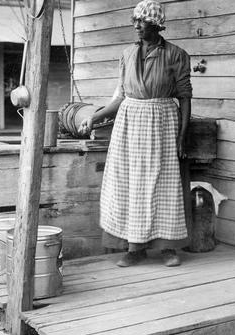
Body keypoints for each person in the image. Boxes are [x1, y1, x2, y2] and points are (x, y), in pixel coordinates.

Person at [80, 0, 192, 268]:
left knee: (162, 184)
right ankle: (134, 248)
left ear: (156, 24)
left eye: (141, 21)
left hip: (162, 121)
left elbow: (185, 97)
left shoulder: (176, 54)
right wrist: (94, 117)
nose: (137, 25)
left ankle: (168, 247)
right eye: (135, 20)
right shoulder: (127, 54)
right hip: (129, 125)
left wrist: (182, 136)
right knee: (129, 185)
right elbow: (120, 97)